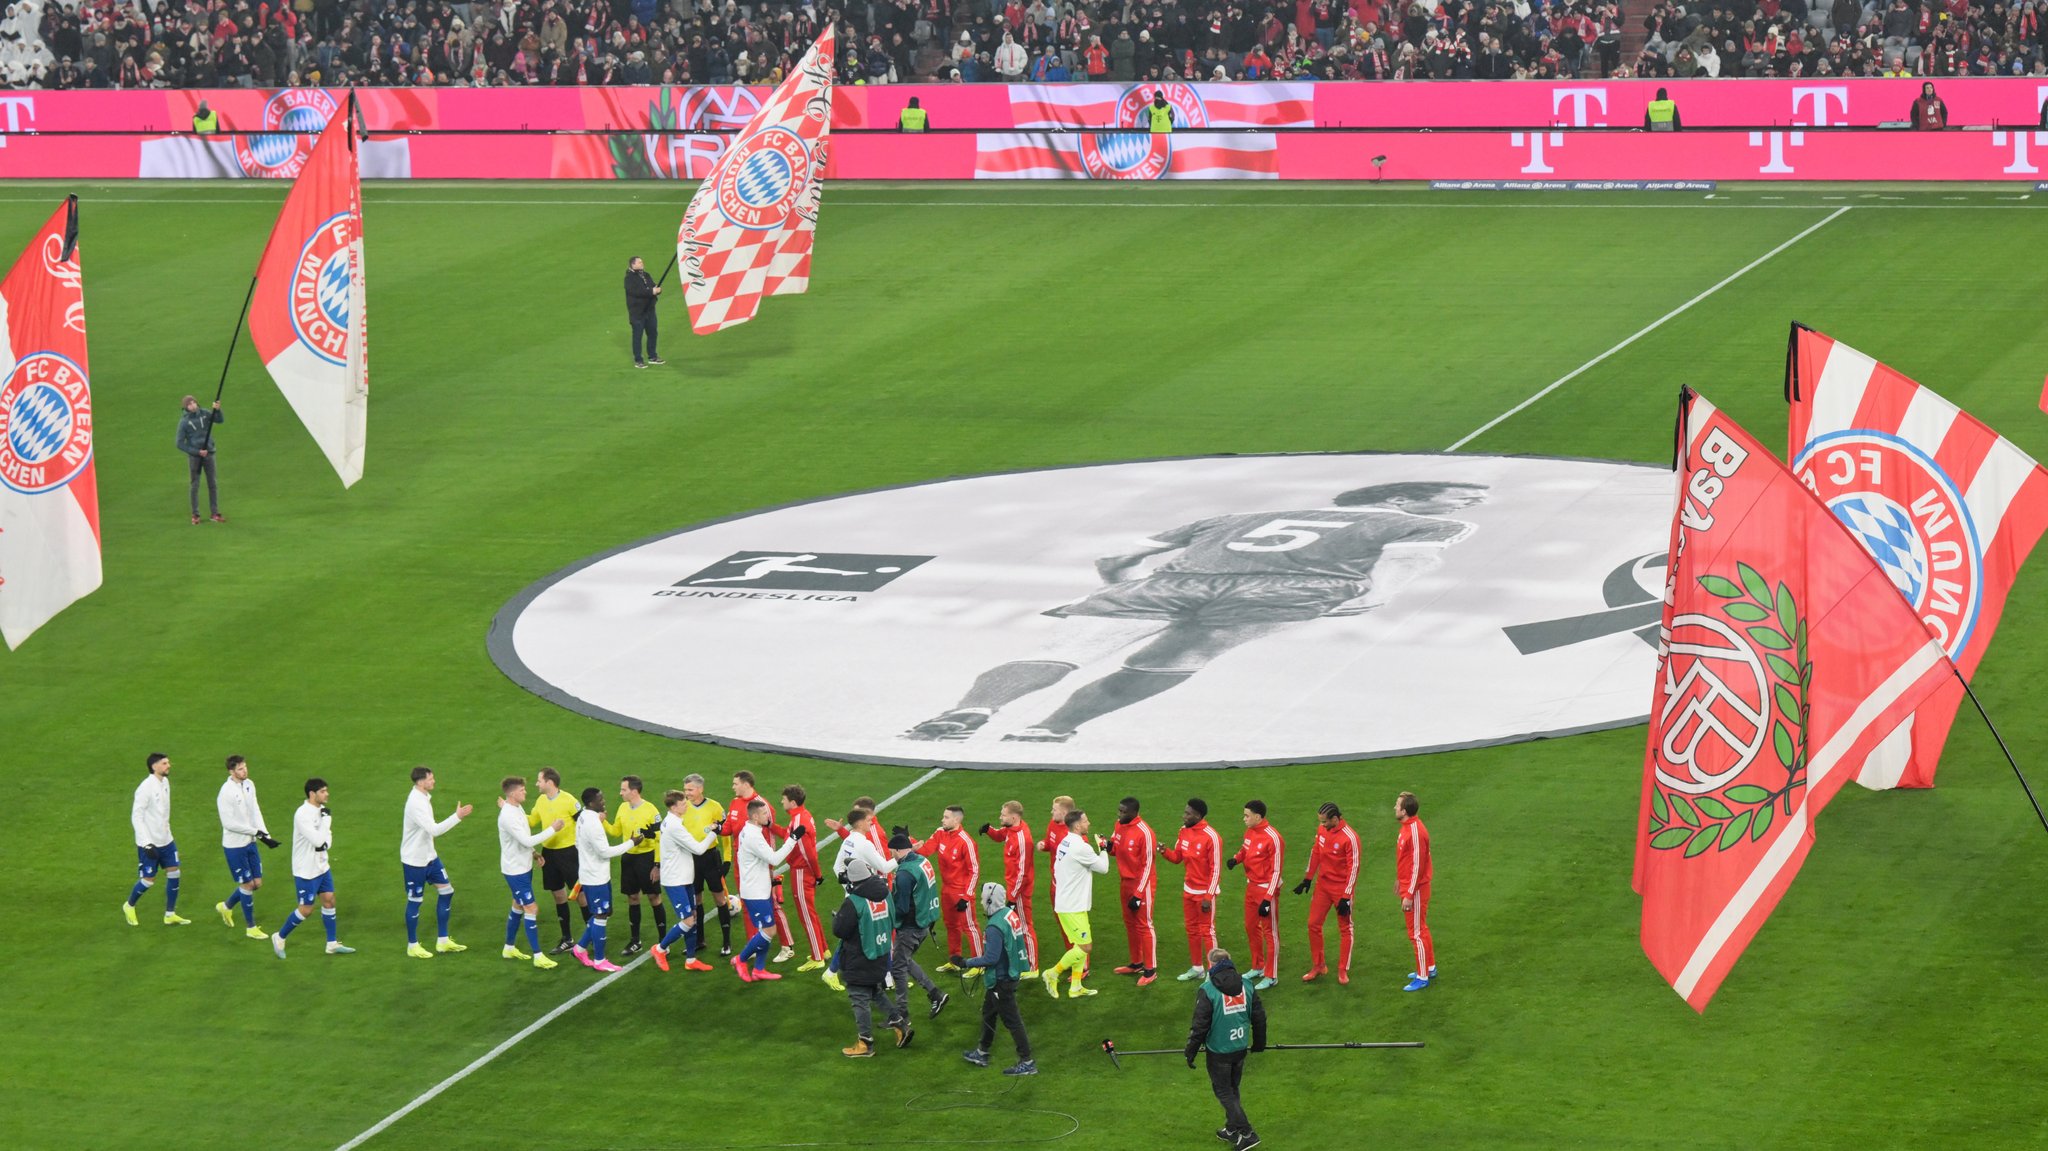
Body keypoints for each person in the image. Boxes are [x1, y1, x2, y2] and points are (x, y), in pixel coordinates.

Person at [902, 482, 1486, 745]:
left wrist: (1127, 586)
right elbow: (1410, 558)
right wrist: (1372, 593)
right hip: (1297, 587)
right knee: (1188, 652)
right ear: (1405, 499)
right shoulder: (1416, 521)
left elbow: (1120, 558)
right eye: (1456, 497)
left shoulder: (1234, 517)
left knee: (1066, 649)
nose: (1464, 506)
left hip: (1174, 581)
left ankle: (973, 710)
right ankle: (1052, 728)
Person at [1184, 947, 1267, 1151]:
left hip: (1219, 1051)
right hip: (1239, 1048)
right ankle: (1232, 1129)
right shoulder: (1247, 985)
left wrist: (1191, 1051)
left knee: (1224, 1092)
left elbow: (1200, 1026)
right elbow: (1259, 1017)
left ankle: (1247, 1133)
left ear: (1211, 964)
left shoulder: (1209, 990)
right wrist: (1258, 1044)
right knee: (1232, 1089)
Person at [960, 881, 1037, 1076]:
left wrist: (965, 962)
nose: (980, 902)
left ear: (989, 900)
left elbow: (990, 958)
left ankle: (1027, 1061)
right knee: (988, 1013)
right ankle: (982, 1051)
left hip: (1001, 980)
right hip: (1010, 974)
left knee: (1012, 1021)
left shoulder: (994, 927)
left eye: (982, 899)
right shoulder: (1009, 915)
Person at [273, 778, 355, 957]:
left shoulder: (321, 812)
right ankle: (279, 937)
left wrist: (325, 838)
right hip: (306, 870)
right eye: (323, 791)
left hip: (321, 865)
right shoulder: (302, 814)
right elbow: (319, 840)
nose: (327, 794)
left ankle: (331, 944)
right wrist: (327, 823)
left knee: (329, 900)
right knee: (306, 909)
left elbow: (327, 840)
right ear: (312, 794)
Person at [719, 771, 795, 961]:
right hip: (742, 863)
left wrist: (769, 865)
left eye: (735, 783)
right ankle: (753, 943)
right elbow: (728, 828)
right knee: (747, 904)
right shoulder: (735, 802)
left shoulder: (763, 806)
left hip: (760, 862)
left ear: (746, 784)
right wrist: (717, 827)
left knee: (773, 905)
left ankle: (787, 945)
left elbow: (769, 834)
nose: (733, 787)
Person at [401, 766, 473, 959]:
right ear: (421, 781)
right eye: (431, 779)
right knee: (415, 901)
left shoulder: (424, 797)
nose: (434, 781)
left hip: (430, 858)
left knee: (447, 891)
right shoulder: (415, 803)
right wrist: (457, 817)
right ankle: (412, 945)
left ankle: (442, 941)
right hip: (414, 861)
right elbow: (434, 830)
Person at [886, 831, 950, 1041]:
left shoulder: (904, 874)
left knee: (898, 966)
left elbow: (902, 907)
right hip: (926, 920)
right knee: (904, 959)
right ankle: (935, 994)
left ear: (896, 850)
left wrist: (886, 915)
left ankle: (902, 1016)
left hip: (911, 925)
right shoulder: (922, 861)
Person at [496, 776, 564, 969]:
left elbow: (522, 839)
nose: (526, 792)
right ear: (512, 793)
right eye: (522, 790)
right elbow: (526, 840)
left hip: (523, 867)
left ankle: (508, 948)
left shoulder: (516, 808)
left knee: (518, 905)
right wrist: (553, 829)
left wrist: (534, 854)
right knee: (531, 908)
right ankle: (538, 955)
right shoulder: (508, 815)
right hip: (515, 871)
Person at [734, 797, 805, 981]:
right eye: (765, 813)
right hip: (755, 892)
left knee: (764, 931)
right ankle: (741, 960)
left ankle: (759, 969)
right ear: (756, 816)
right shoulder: (753, 835)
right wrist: (792, 839)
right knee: (769, 931)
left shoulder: (751, 829)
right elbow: (773, 859)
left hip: (759, 888)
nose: (769, 815)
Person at [831, 856, 896, 1056]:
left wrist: (838, 917)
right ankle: (900, 1024)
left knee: (859, 997)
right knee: (875, 990)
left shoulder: (854, 902)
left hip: (860, 957)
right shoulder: (885, 893)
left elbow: (840, 930)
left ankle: (865, 1043)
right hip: (881, 952)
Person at [1042, 807, 1109, 999]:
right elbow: (1103, 868)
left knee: (1078, 946)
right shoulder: (1081, 847)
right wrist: (1103, 847)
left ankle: (1076, 987)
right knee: (1085, 947)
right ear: (1078, 825)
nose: (1089, 823)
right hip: (1072, 906)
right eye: (1086, 821)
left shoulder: (1066, 841)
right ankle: (1052, 973)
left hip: (1070, 903)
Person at [652, 789, 721, 972]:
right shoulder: (674, 826)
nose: (686, 805)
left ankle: (691, 960)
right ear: (674, 807)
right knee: (689, 920)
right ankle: (659, 949)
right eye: (683, 803)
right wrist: (715, 833)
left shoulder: (674, 821)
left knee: (693, 917)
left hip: (683, 878)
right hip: (675, 880)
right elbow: (698, 849)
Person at [571, 787, 637, 972]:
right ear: (592, 803)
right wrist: (631, 843)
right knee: (600, 914)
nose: (604, 801)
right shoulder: (592, 823)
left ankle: (580, 948)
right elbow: (605, 851)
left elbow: (578, 843)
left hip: (595, 873)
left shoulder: (584, 816)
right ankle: (600, 960)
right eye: (600, 799)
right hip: (595, 877)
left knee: (605, 912)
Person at [214, 755, 278, 940]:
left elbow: (255, 810)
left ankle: (225, 907)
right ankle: (250, 928)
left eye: (245, 767)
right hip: (234, 845)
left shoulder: (249, 784)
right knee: (247, 884)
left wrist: (265, 835)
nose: (245, 771)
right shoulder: (225, 792)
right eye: (240, 769)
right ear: (231, 772)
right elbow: (228, 823)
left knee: (257, 883)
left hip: (250, 842)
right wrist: (254, 831)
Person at [1295, 802, 1359, 984]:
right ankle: (1319, 965)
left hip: (1341, 889)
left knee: (1345, 928)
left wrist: (1347, 897)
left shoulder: (1350, 838)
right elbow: (1316, 852)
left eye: (1324, 822)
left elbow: (1354, 868)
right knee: (1313, 924)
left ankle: (1342, 970)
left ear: (1335, 819)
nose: (1322, 825)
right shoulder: (1322, 830)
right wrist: (1308, 878)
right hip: (1323, 886)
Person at [1160, 798, 1222, 982]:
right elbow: (1178, 857)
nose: (1184, 816)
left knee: (1207, 931)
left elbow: (1216, 869)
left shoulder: (1212, 837)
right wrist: (1164, 852)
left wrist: (1208, 896)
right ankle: (1197, 968)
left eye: (1187, 813)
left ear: (1198, 815)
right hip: (1189, 890)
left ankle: (1214, 971)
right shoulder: (1184, 831)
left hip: (1204, 893)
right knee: (1192, 930)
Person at [913, 805, 982, 969]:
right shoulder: (940, 833)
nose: (942, 820)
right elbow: (924, 851)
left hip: (962, 891)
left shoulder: (966, 841)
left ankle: (980, 964)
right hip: (947, 890)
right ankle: (954, 960)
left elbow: (975, 871)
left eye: (946, 817)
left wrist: (966, 896)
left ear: (956, 820)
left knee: (970, 927)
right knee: (951, 925)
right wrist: (909, 840)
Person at [125, 753, 188, 926]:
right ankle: (129, 905)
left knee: (174, 872)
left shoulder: (165, 782)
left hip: (166, 840)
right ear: (154, 767)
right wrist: (146, 843)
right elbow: (136, 816)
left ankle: (170, 914)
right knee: (148, 880)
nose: (169, 766)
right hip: (150, 843)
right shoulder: (145, 788)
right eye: (165, 763)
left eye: (168, 762)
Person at [604, 775, 663, 955]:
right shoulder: (623, 807)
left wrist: (657, 865)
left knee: (654, 897)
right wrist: (603, 822)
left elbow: (660, 839)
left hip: (647, 859)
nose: (620, 792)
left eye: (623, 790)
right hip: (628, 858)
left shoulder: (651, 810)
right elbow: (615, 831)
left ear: (634, 791)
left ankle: (663, 941)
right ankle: (635, 941)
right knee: (632, 898)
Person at [1229, 801, 1284, 990]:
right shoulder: (1250, 832)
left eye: (1247, 815)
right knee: (1251, 926)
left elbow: (1277, 871)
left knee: (1270, 932)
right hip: (1251, 887)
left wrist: (1268, 898)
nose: (1244, 819)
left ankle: (1272, 975)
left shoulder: (1274, 838)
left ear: (1258, 817)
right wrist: (1236, 859)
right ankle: (1258, 966)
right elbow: (1245, 850)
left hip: (1266, 889)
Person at [979, 801, 1039, 975]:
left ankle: (1033, 967)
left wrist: (1012, 897)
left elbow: (1023, 873)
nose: (1000, 817)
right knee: (1019, 925)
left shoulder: (1023, 839)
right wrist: (989, 830)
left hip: (1020, 891)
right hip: (1013, 886)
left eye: (1003, 815)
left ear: (1014, 817)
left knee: (1026, 927)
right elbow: (1001, 835)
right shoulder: (1011, 828)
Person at [677, 773, 733, 955]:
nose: (687, 793)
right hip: (691, 858)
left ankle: (726, 943)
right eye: (685, 789)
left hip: (710, 858)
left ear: (700, 789)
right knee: (696, 899)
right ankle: (699, 940)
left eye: (690, 789)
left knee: (719, 898)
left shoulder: (715, 807)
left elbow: (725, 833)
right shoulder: (682, 808)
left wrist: (727, 859)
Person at [529, 767, 584, 953]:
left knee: (580, 895)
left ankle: (591, 935)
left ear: (549, 782)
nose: (536, 783)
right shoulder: (541, 800)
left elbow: (584, 822)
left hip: (569, 854)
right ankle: (567, 939)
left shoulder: (569, 800)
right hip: (549, 854)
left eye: (539, 780)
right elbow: (531, 821)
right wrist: (511, 810)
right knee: (558, 895)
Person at [1107, 796, 1159, 985]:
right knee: (1130, 923)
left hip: (1141, 885)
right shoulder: (1119, 825)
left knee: (1144, 924)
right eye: (1119, 810)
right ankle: (1136, 962)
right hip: (1125, 882)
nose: (1119, 814)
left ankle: (1150, 969)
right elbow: (1114, 848)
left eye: (1123, 812)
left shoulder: (1145, 833)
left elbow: (1148, 866)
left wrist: (1138, 894)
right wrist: (1107, 846)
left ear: (1134, 813)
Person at [780, 785, 831, 971]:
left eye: (784, 799)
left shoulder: (799, 821)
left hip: (801, 871)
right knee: (811, 913)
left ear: (792, 802)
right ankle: (823, 949)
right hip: (804, 870)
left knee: (806, 916)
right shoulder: (803, 815)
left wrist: (817, 874)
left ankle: (817, 958)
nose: (781, 802)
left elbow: (808, 852)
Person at [1396, 791, 1435, 991]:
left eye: (1397, 805)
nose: (1395, 808)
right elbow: (1406, 860)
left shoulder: (1416, 832)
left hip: (1416, 889)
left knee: (1416, 933)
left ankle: (1422, 976)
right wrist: (1399, 880)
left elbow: (1418, 866)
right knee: (1421, 928)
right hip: (1409, 885)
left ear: (1405, 810)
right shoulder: (1407, 828)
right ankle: (1429, 966)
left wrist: (1409, 894)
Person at [177, 395, 225, 525]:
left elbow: (220, 420)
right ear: (186, 407)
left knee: (213, 484)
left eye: (194, 403)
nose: (193, 405)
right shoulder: (184, 422)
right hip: (195, 458)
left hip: (209, 453)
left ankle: (214, 513)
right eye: (189, 404)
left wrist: (217, 410)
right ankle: (195, 514)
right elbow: (179, 443)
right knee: (195, 485)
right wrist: (197, 452)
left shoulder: (205, 413)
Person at [1037, 796, 1074, 948]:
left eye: (1055, 809)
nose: (1051, 811)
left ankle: (1082, 964)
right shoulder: (1053, 824)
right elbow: (1049, 842)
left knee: (1073, 924)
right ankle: (1071, 955)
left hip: (1068, 886)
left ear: (1064, 812)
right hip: (1055, 883)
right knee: (1062, 922)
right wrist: (1044, 844)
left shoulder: (1072, 834)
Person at [623, 255, 665, 369]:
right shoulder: (629, 279)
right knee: (638, 336)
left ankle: (652, 356)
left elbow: (652, 286)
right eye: (639, 262)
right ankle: (638, 360)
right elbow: (637, 292)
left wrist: (658, 290)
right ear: (633, 265)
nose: (642, 264)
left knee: (653, 333)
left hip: (649, 310)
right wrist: (652, 291)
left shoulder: (646, 275)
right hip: (637, 312)